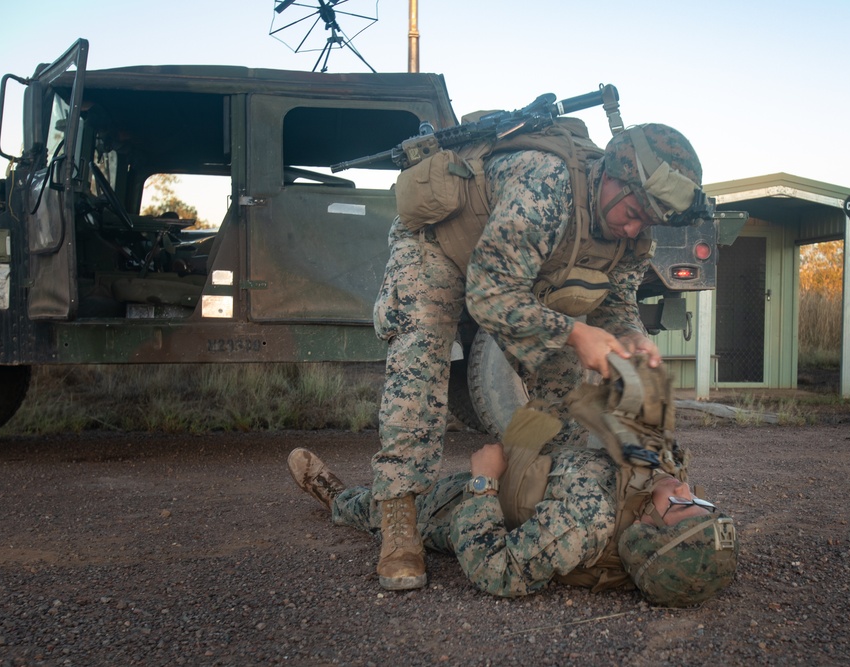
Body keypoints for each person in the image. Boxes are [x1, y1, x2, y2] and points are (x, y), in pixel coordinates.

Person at [371, 121, 709, 590]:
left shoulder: (633, 234)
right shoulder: (545, 184)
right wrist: (574, 332)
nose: (634, 227)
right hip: (440, 247)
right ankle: (399, 516)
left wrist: (631, 336)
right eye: (632, 211)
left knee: (563, 382)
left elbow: (615, 300)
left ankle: (516, 477)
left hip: (511, 269)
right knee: (421, 353)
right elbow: (489, 295)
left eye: (646, 221)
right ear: (611, 175)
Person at [287, 440, 738, 607]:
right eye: (700, 498)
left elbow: (495, 569)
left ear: (647, 526)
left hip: (479, 501)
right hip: (526, 467)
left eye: (683, 502)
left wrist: (484, 482)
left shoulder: (585, 524)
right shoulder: (655, 483)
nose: (685, 487)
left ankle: (338, 497)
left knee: (396, 509)